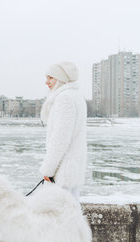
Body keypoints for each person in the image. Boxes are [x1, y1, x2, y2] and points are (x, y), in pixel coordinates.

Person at [39, 61, 87, 201]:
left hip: (63, 172)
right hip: (71, 169)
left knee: (60, 217)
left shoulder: (64, 99)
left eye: (51, 78)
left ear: (61, 79)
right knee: (71, 214)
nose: (47, 82)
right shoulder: (76, 97)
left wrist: (48, 170)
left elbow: (60, 139)